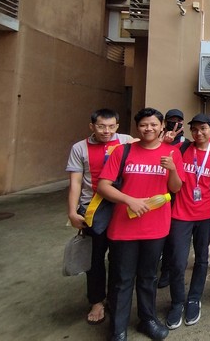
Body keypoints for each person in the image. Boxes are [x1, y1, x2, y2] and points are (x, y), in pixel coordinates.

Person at [97, 107, 185, 341]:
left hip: (155, 228)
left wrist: (172, 170)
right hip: (123, 227)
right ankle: (118, 328)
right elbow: (103, 186)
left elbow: (176, 188)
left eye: (154, 124)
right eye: (144, 125)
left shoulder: (172, 153)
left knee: (148, 277)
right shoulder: (123, 151)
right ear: (137, 127)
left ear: (162, 127)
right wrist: (129, 200)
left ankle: (147, 319)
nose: (149, 128)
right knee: (122, 279)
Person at [66, 108, 133, 325]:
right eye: (101, 126)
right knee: (94, 258)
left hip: (119, 209)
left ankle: (115, 298)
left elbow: (149, 145)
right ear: (92, 126)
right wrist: (72, 211)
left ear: (117, 126)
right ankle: (96, 301)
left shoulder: (125, 141)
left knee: (119, 257)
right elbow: (76, 182)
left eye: (111, 126)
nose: (107, 131)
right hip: (92, 210)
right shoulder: (79, 148)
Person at [165, 114, 210, 330]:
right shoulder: (181, 149)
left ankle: (194, 299)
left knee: (201, 259)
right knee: (178, 262)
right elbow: (158, 152)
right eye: (195, 129)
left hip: (205, 215)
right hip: (180, 215)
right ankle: (177, 302)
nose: (199, 133)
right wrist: (165, 141)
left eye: (203, 128)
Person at [158, 108, 185, 289]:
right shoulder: (155, 140)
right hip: (155, 194)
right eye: (171, 120)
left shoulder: (187, 143)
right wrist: (163, 142)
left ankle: (166, 270)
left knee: (171, 237)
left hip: (177, 196)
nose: (175, 123)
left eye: (179, 120)